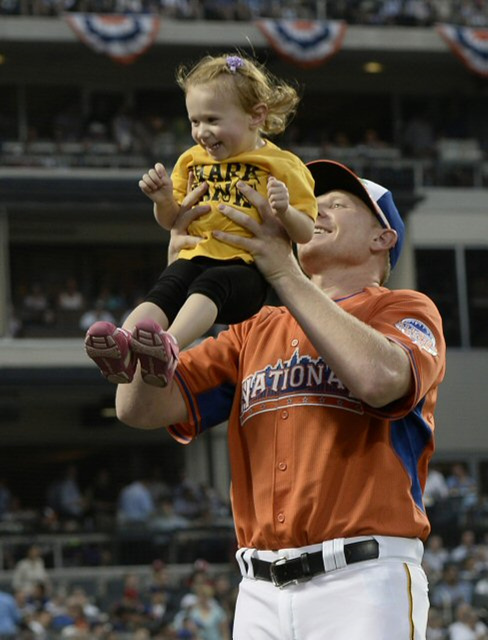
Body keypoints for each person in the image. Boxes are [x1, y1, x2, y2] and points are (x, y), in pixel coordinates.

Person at [115, 159, 446, 639]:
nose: (315, 210)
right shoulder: (254, 328)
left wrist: (282, 271)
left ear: (383, 238)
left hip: (363, 579)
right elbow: (137, 407)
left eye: (335, 203)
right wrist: (176, 282)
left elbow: (380, 380)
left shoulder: (404, 308)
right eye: (310, 202)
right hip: (258, 590)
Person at [84, 52, 317, 388]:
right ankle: (124, 344)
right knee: (167, 287)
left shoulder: (281, 164)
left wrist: (285, 211)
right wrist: (164, 199)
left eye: (212, 120)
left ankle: (168, 347)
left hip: (245, 273)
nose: (201, 132)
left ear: (257, 116)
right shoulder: (191, 161)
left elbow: (306, 231)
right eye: (195, 121)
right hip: (196, 256)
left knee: (212, 284)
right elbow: (171, 221)